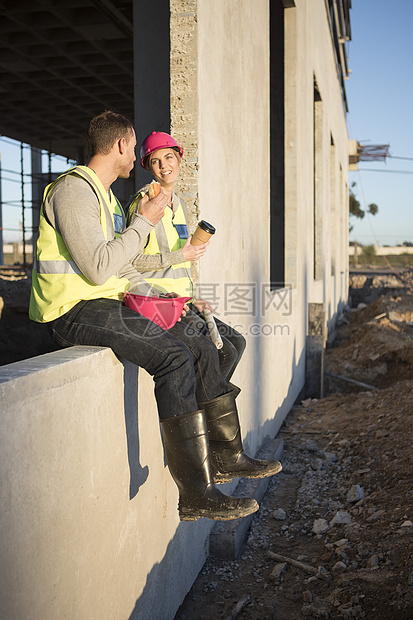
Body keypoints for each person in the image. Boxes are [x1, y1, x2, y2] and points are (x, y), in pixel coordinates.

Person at [29, 111, 281, 522]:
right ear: (122, 146)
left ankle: (226, 457)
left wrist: (169, 303)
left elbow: (121, 268)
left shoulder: (105, 197)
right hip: (71, 309)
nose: (138, 159)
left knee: (198, 344)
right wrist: (143, 223)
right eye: (135, 149)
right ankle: (196, 493)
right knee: (174, 357)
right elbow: (96, 267)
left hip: (107, 300)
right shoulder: (72, 191)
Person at [126, 131, 246, 385]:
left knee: (236, 343)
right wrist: (183, 254)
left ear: (179, 159)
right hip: (159, 303)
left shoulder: (179, 204)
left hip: (182, 302)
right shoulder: (144, 202)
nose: (164, 166)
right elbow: (131, 260)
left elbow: (178, 265)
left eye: (168, 157)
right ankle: (203, 414)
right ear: (148, 166)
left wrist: (194, 298)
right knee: (220, 352)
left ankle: (205, 404)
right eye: (155, 161)